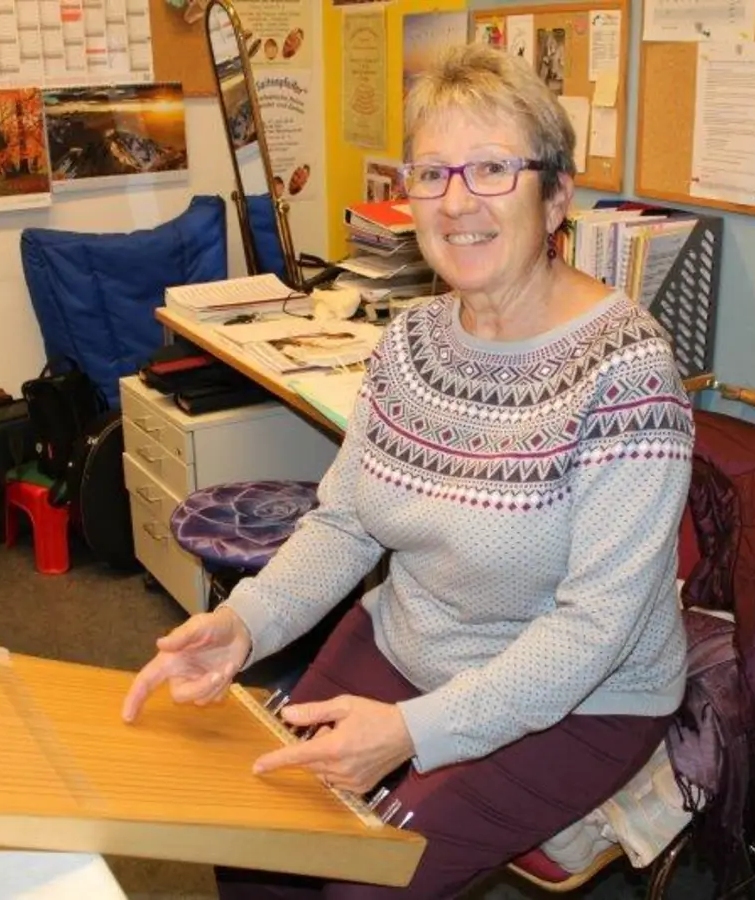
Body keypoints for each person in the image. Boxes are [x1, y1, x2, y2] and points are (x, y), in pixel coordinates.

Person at [122, 43, 695, 899]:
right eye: (432, 174)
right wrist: (244, 626)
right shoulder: (412, 342)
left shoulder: (626, 372)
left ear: (558, 196)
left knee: (366, 881)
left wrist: (414, 732)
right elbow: (346, 522)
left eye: (494, 168)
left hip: (584, 697)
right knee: (255, 831)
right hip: (411, 638)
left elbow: (591, 629)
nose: (457, 200)